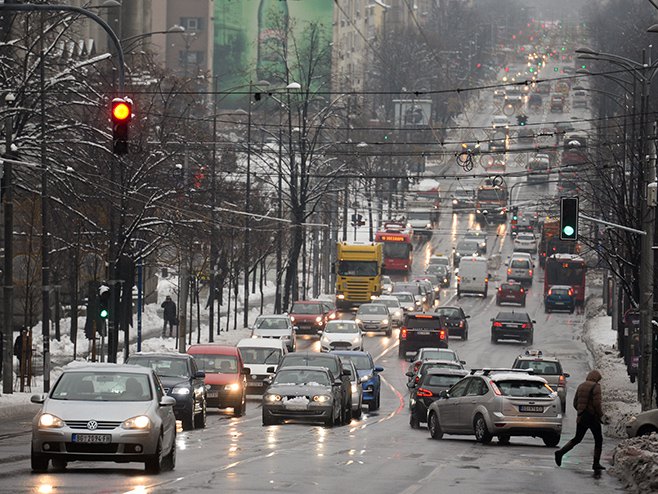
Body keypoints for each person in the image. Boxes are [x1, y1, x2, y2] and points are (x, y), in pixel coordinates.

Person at [554, 369, 606, 471]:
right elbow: (597, 404)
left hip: (582, 417)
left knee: (577, 438)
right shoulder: (596, 387)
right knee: (598, 440)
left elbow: (575, 402)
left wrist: (580, 411)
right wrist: (600, 415)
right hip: (592, 417)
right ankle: (596, 463)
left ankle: (561, 453)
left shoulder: (581, 386)